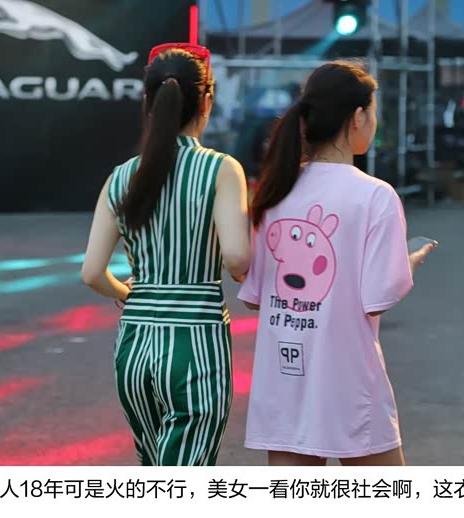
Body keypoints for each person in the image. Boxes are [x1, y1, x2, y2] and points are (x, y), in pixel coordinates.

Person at [237, 61, 436, 467]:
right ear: (357, 117)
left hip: (284, 379)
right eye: (374, 112)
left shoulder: (276, 191)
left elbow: (256, 296)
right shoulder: (375, 196)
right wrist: (409, 261)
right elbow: (377, 297)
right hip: (349, 379)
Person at [81, 43, 251, 466]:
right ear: (206, 101)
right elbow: (236, 258)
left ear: (149, 101)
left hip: (134, 347)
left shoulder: (121, 176)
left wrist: (128, 291)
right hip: (196, 346)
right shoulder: (221, 169)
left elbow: (92, 273)